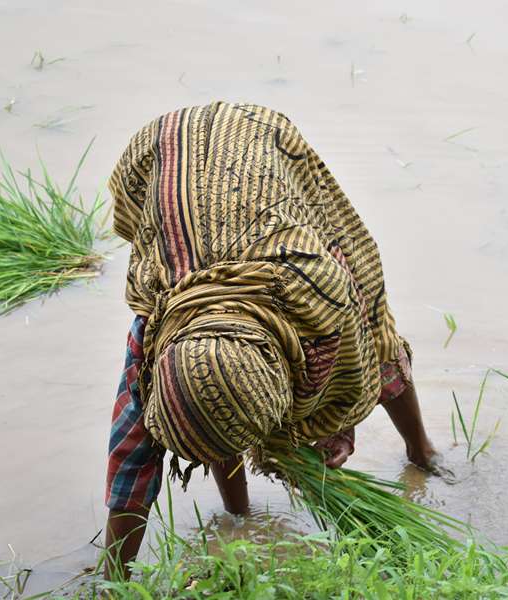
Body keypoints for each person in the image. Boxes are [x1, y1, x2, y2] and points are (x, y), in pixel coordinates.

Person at [102, 102, 440, 578]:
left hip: (266, 149)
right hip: (156, 155)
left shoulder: (323, 297)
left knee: (377, 338)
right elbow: (130, 464)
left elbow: (366, 369)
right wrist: (113, 580)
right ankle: (239, 513)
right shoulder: (155, 335)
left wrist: (315, 448)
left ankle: (421, 450)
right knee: (210, 395)